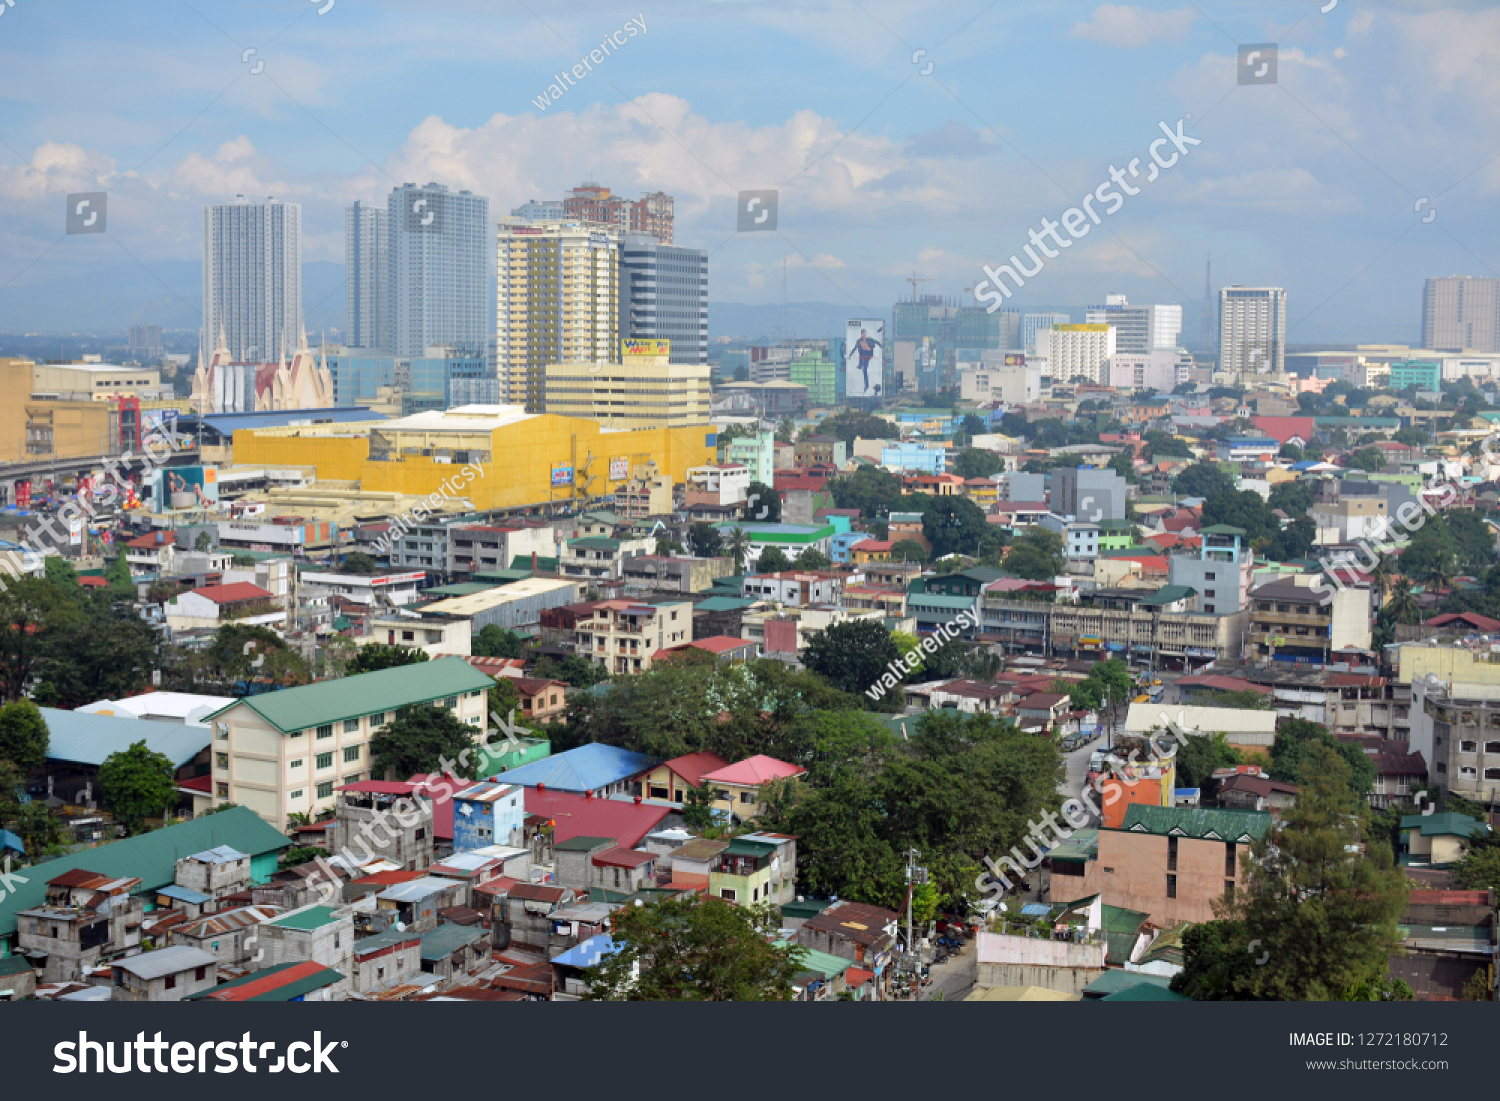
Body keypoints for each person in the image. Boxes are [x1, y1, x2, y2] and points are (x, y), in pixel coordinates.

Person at [846, 328, 883, 395]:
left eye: (865, 333)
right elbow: (855, 348)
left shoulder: (869, 340)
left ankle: (866, 385)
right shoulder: (859, 341)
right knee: (862, 364)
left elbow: (876, 342)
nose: (864, 335)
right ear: (861, 334)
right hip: (862, 356)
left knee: (864, 370)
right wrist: (850, 355)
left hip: (867, 356)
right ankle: (860, 365)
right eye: (863, 333)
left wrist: (882, 346)